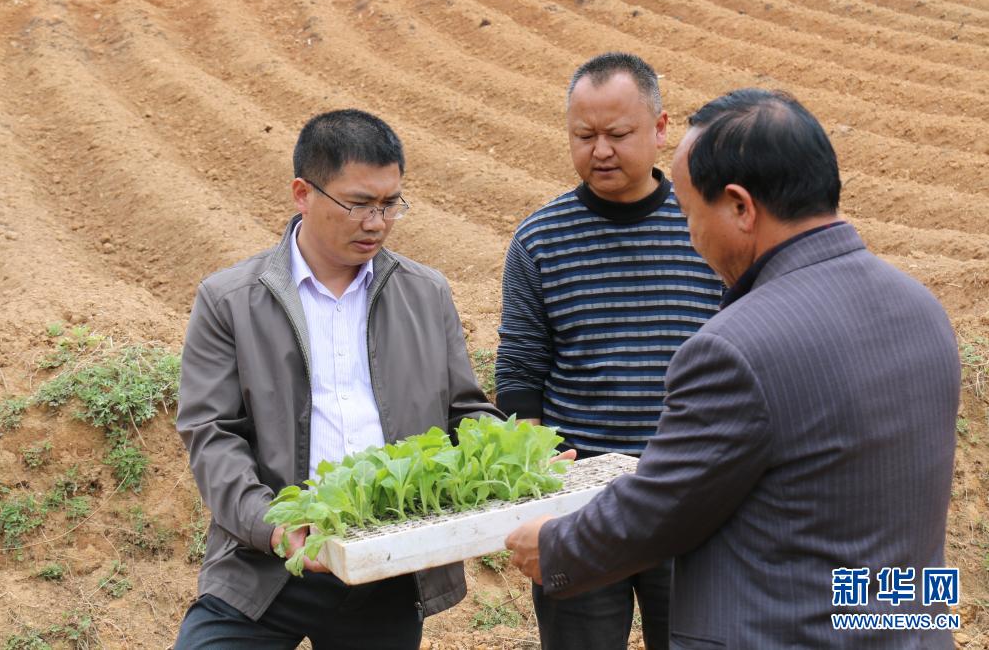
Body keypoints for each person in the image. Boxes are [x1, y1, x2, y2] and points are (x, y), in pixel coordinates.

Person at [506, 88, 961, 648]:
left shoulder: (735, 347)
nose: (690, 236)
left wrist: (554, 546)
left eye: (690, 214)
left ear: (741, 208)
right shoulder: (921, 308)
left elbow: (664, 507)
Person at [173, 109, 501, 649]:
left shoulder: (426, 293)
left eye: (389, 204)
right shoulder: (230, 300)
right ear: (303, 194)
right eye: (358, 204)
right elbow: (212, 434)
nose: (376, 223)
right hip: (267, 567)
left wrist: (517, 457)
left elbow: (462, 413)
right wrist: (274, 526)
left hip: (385, 562)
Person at [495, 52, 724, 650]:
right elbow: (520, 369)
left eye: (618, 134)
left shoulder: (706, 225)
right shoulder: (540, 239)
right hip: (581, 508)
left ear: (660, 128)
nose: (600, 151)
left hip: (689, 495)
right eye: (584, 135)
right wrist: (536, 483)